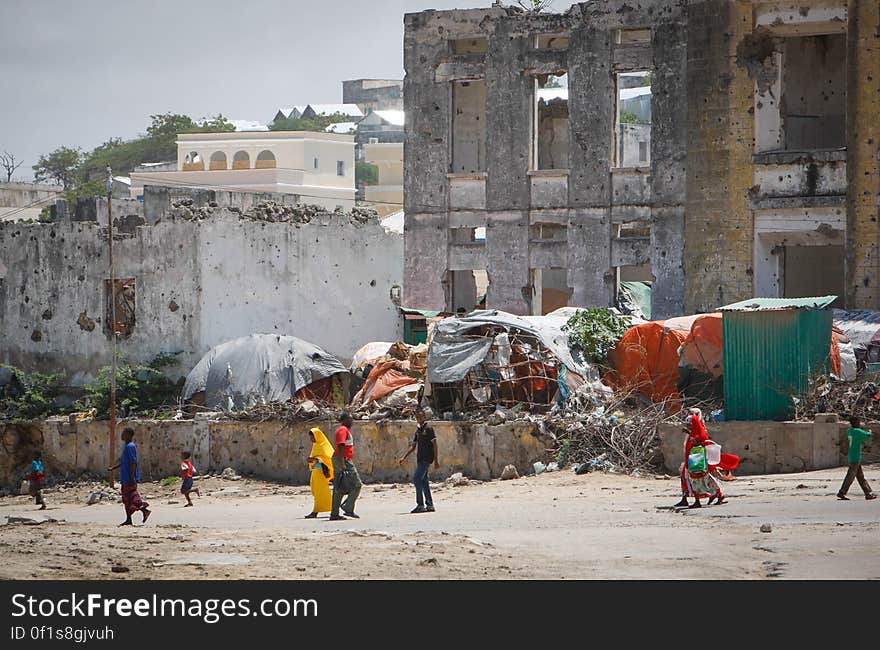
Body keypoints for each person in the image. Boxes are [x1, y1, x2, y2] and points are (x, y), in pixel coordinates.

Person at [674, 407, 724, 508]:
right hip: (693, 460)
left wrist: (694, 440)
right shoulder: (693, 431)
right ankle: (693, 498)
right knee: (691, 479)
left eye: (689, 424)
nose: (688, 425)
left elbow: (703, 442)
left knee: (702, 479)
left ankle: (716, 495)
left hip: (699, 461)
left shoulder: (700, 431)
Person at [398, 410, 440, 513]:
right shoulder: (418, 431)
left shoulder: (429, 429)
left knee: (417, 479)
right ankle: (430, 505)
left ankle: (420, 505)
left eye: (420, 417)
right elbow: (413, 446)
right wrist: (404, 457)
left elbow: (435, 445)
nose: (419, 419)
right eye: (417, 418)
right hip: (420, 459)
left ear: (424, 417)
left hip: (427, 459)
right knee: (424, 481)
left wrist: (436, 460)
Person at [108, 428, 151, 526]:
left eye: (123, 434)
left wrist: (132, 477)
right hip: (125, 477)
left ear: (128, 435)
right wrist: (113, 468)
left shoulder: (130, 446)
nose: (121, 435)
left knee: (133, 497)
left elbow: (133, 462)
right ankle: (128, 519)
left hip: (129, 477)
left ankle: (145, 511)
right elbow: (123, 461)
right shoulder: (126, 446)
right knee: (126, 499)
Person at [330, 412, 362, 521]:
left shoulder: (344, 430)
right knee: (357, 484)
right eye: (350, 419)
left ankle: (335, 513)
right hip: (343, 460)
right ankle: (347, 507)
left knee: (339, 487)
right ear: (344, 420)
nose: (352, 421)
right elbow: (340, 446)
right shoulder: (343, 430)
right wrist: (343, 463)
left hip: (342, 459)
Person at [837, 416, 877, 501]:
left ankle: (868, 493)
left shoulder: (850, 431)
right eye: (858, 422)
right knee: (850, 476)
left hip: (852, 455)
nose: (859, 423)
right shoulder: (857, 431)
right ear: (855, 423)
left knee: (860, 477)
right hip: (855, 456)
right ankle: (842, 492)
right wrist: (870, 431)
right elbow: (868, 435)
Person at [305, 427, 334, 518]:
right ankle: (333, 508)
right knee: (316, 491)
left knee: (320, 492)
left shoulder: (323, 445)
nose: (311, 439)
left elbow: (328, 458)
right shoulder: (315, 446)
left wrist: (315, 459)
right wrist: (310, 460)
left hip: (321, 473)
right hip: (315, 472)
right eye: (310, 437)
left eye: (312, 437)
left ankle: (315, 512)